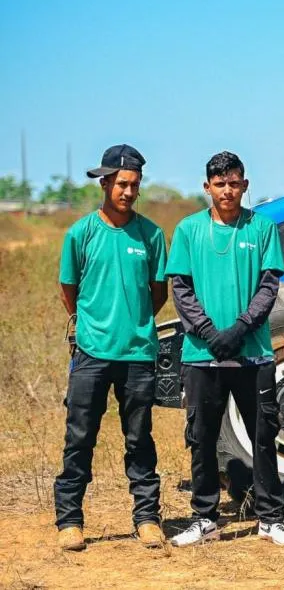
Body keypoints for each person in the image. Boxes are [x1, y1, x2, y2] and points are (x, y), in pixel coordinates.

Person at [167, 151, 284, 548]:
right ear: (207, 187)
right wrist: (210, 333)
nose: (227, 190)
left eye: (234, 183)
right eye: (220, 183)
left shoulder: (262, 227)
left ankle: (270, 519)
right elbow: (181, 288)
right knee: (202, 438)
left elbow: (269, 285)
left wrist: (240, 329)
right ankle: (205, 519)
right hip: (201, 355)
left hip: (252, 353)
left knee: (263, 436)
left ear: (245, 185)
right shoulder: (189, 230)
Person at [54, 144, 168, 551]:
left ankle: (147, 518)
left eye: (134, 185)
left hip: (137, 354)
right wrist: (91, 324)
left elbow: (158, 292)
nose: (128, 192)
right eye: (121, 184)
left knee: (139, 440)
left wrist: (134, 323)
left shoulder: (151, 235)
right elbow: (68, 288)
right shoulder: (81, 233)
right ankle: (70, 521)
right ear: (104, 183)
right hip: (91, 353)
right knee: (80, 437)